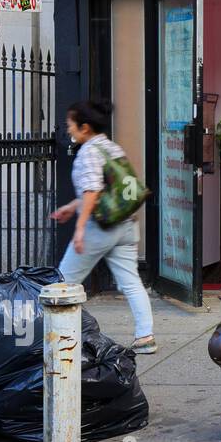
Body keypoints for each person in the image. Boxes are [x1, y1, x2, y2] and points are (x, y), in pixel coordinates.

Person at [50, 99, 156, 354]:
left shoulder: (87, 152)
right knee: (131, 281)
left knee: (63, 282)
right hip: (126, 225)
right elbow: (108, 191)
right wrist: (72, 207)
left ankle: (55, 336)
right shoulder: (111, 147)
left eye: (70, 126)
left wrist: (79, 228)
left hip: (101, 228)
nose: (69, 130)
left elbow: (93, 191)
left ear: (84, 128)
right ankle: (145, 337)